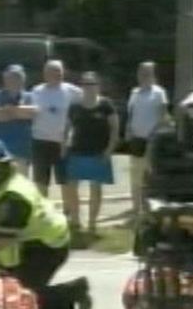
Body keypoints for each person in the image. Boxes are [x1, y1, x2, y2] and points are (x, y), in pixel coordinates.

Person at [0, 139, 92, 309]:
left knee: (17, 301)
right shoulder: (2, 185)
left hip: (48, 245)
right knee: (11, 297)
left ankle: (74, 290)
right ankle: (61, 303)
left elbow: (4, 238)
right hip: (29, 242)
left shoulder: (13, 196)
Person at [64, 72, 119, 234]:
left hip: (99, 153)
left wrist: (110, 150)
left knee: (96, 189)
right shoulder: (74, 106)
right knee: (71, 187)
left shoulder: (106, 105)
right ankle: (75, 221)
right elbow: (67, 128)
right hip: (77, 151)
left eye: (92, 84)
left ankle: (92, 223)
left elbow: (115, 129)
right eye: (85, 84)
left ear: (98, 86)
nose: (88, 88)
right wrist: (63, 145)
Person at [30, 60, 82, 199]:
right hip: (40, 141)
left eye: (58, 71)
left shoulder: (73, 91)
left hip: (62, 143)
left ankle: (67, 213)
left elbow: (87, 106)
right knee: (41, 182)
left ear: (63, 72)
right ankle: (43, 213)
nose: (56, 74)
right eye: (52, 71)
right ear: (45, 74)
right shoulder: (36, 91)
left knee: (65, 181)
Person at [126, 61, 169, 215]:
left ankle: (151, 207)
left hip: (153, 140)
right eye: (142, 73)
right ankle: (135, 207)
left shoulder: (159, 93)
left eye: (148, 73)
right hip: (136, 140)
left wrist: (155, 134)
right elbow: (131, 114)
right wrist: (128, 130)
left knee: (151, 174)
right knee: (135, 174)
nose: (144, 76)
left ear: (153, 75)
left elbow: (163, 116)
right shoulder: (134, 93)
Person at [0, 64, 37, 174]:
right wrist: (18, 112)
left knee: (20, 187)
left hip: (22, 151)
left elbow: (32, 113)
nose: (14, 80)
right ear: (5, 79)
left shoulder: (30, 96)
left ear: (23, 80)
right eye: (11, 77)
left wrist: (8, 110)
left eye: (18, 77)